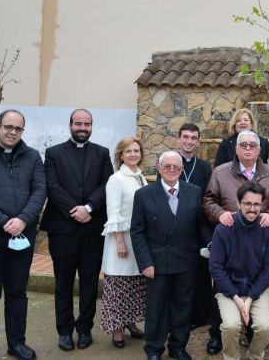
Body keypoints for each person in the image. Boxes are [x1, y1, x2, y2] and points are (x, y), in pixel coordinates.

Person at [0, 109, 46, 360]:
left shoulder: (33, 157)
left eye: (18, 128)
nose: (13, 132)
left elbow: (39, 191)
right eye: (8, 127)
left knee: (17, 292)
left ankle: (17, 343)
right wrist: (5, 221)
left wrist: (23, 219)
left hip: (22, 236)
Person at [203, 129, 269, 354]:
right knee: (227, 321)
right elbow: (208, 199)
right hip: (230, 233)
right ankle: (219, 340)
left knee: (262, 325)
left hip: (259, 233)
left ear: (260, 149)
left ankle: (253, 348)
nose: (248, 149)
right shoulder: (220, 172)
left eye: (252, 145)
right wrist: (220, 214)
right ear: (236, 149)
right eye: (243, 145)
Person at [40, 108, 114, 351]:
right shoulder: (53, 153)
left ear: (92, 126)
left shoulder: (102, 153)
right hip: (63, 228)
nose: (83, 128)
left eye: (87, 124)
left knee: (90, 283)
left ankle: (84, 330)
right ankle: (64, 331)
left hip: (92, 229)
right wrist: (76, 209)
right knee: (63, 282)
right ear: (70, 125)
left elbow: (107, 184)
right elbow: (51, 185)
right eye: (78, 123)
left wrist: (90, 207)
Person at [130, 151, 206, 360]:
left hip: (186, 260)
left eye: (176, 167)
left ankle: (178, 347)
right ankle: (153, 349)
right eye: (167, 166)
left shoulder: (194, 191)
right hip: (156, 262)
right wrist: (145, 262)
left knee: (183, 307)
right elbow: (137, 231)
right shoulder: (144, 194)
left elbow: (200, 224)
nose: (172, 170)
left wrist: (210, 245)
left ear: (182, 170)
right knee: (156, 309)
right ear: (159, 168)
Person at [210, 182, 269, 360]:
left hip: (256, 288)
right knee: (231, 325)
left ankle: (255, 355)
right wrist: (236, 298)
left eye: (256, 204)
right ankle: (231, 357)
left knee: (265, 327)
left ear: (262, 205)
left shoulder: (268, 230)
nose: (252, 209)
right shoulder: (223, 229)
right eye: (247, 203)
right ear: (238, 204)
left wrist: (250, 299)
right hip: (228, 289)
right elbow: (215, 267)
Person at [100, 137, 148, 348]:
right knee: (118, 286)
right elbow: (114, 213)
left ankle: (130, 322)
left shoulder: (141, 177)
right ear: (120, 155)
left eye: (136, 151)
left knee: (135, 284)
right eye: (128, 151)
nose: (133, 154)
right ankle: (116, 329)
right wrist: (120, 241)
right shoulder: (116, 179)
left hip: (138, 239)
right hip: (122, 240)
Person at [171, 123, 215, 349]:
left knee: (199, 273)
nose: (189, 141)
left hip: (197, 225)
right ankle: (178, 315)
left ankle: (199, 316)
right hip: (172, 227)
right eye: (185, 137)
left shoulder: (205, 167)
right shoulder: (170, 162)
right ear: (179, 139)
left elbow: (208, 196)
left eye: (193, 138)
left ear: (198, 142)